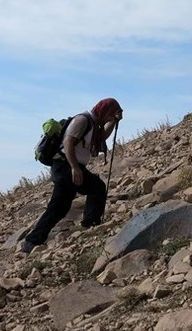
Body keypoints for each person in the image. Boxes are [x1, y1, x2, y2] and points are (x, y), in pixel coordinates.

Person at [21, 98, 123, 254]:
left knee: (60, 206)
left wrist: (114, 121)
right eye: (109, 115)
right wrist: (75, 167)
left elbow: (101, 137)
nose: (109, 118)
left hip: (68, 166)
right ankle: (90, 225)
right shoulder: (83, 120)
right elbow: (68, 142)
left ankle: (33, 240)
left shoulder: (94, 123)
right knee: (95, 188)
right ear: (104, 111)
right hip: (65, 166)